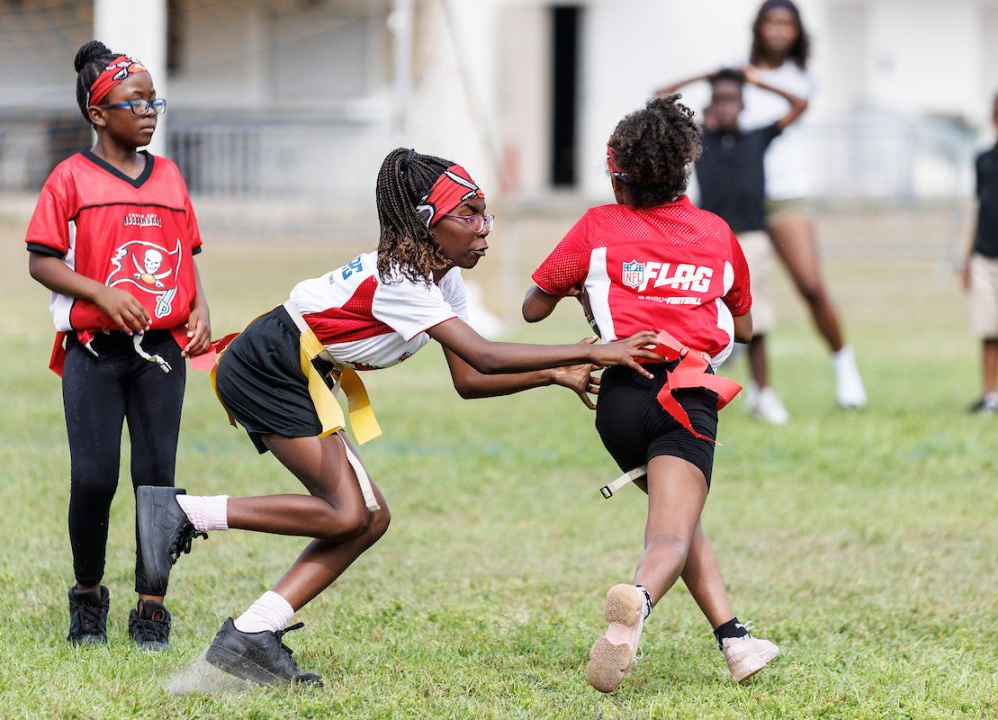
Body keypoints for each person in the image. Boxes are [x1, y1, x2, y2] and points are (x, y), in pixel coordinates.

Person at [132, 148, 661, 686]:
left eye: (486, 214)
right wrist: (592, 352)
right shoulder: (403, 277)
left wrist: (552, 373)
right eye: (470, 215)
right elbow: (484, 354)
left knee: (368, 517)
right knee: (347, 513)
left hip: (293, 365)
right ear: (427, 223)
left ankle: (252, 632)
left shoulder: (439, 274)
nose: (484, 230)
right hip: (273, 363)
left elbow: (469, 380)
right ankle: (186, 511)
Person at [522, 95, 780, 693]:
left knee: (679, 522)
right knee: (669, 533)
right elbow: (743, 326)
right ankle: (634, 604)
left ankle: (735, 641)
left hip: (617, 399)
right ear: (682, 170)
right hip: (685, 399)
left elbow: (533, 308)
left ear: (618, 172)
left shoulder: (597, 226)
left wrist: (590, 296)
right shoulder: (715, 233)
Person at [25, 40, 212, 651]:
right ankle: (87, 598)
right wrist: (102, 295)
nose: (151, 110)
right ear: (98, 113)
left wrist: (200, 305)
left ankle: (151, 607)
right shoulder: (70, 179)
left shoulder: (170, 176)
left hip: (161, 352)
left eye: (155, 99)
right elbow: (42, 261)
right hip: (94, 353)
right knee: (95, 478)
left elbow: (186, 251)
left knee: (157, 479)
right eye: (136, 101)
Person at [658, 0, 867, 409]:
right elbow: (668, 96)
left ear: (798, 32)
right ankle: (745, 379)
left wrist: (753, 79)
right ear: (758, 27)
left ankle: (844, 364)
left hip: (783, 194)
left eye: (787, 24)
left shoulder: (803, 73)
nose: (778, 30)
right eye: (770, 22)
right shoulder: (732, 66)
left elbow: (798, 104)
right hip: (732, 198)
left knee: (809, 284)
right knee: (725, 291)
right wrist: (717, 73)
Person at [661, 67, 808, 423]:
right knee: (698, 314)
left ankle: (763, 392)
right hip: (708, 240)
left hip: (751, 239)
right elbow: (661, 100)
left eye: (733, 100)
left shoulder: (757, 137)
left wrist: (756, 81)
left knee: (756, 318)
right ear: (711, 104)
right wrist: (703, 76)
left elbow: (799, 103)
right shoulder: (700, 140)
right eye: (720, 100)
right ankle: (692, 385)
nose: (726, 108)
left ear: (743, 105)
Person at [962, 89, 998, 414]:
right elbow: (975, 209)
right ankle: (990, 394)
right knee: (989, 329)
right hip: (985, 257)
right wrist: (967, 258)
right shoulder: (983, 160)